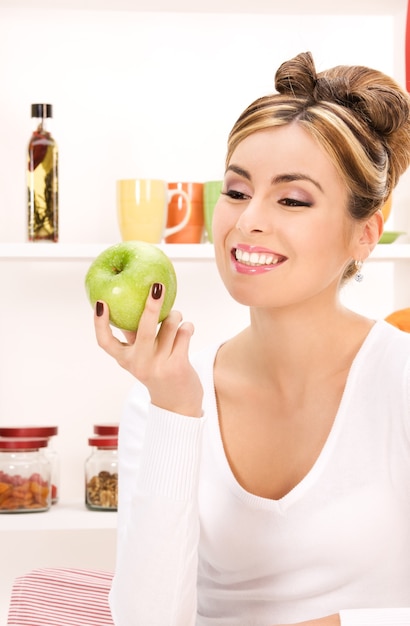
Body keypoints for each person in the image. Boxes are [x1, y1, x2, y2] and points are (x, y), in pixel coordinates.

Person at [93, 51, 410, 626]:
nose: (246, 221)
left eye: (292, 199)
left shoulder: (402, 383)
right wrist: (176, 411)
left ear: (366, 233)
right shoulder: (163, 395)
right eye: (237, 192)